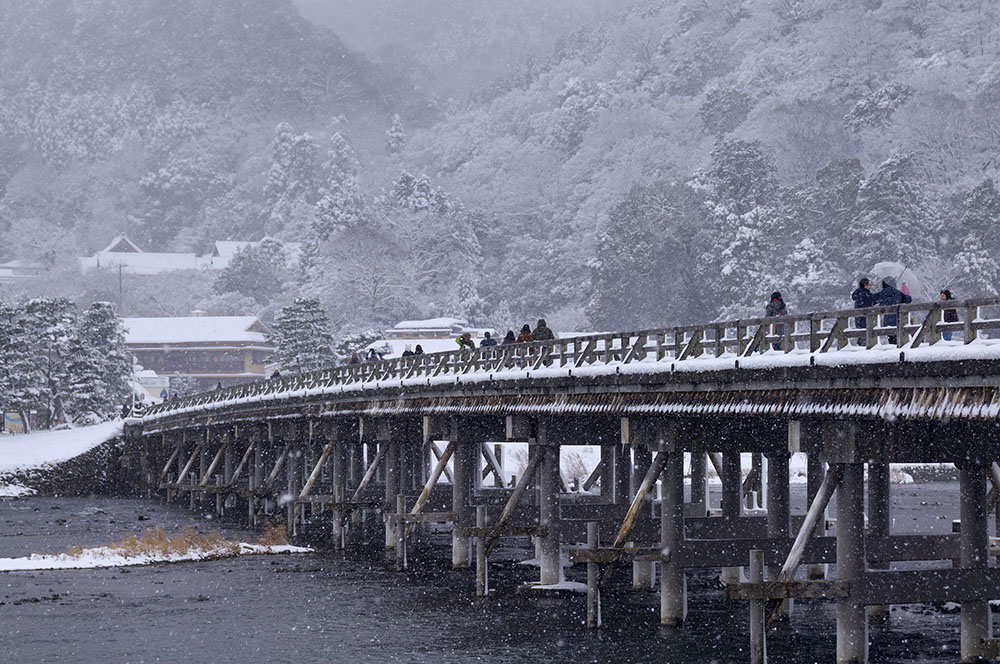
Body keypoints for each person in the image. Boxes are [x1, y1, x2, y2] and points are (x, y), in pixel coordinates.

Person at [874, 276, 912, 345]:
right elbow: (909, 299)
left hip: (887, 321)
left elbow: (872, 300)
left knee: (891, 338)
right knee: (898, 339)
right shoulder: (898, 293)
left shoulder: (881, 294)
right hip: (898, 320)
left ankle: (892, 348)